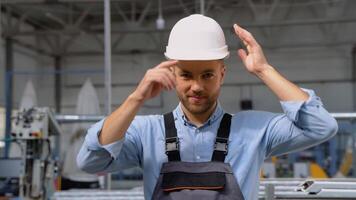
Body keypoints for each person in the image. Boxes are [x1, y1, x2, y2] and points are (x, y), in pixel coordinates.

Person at [77, 14, 338, 200]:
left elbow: (320, 127)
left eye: (207, 75)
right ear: (172, 73)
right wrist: (136, 98)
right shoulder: (146, 132)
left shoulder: (255, 131)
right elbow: (90, 161)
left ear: (222, 74)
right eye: (187, 75)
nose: (197, 87)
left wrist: (263, 70)